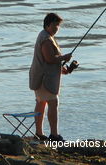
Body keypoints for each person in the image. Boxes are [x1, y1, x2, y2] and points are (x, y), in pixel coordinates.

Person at [29, 13, 72, 141]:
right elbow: (49, 59)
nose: (56, 28)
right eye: (54, 25)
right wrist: (65, 57)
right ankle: (54, 134)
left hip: (40, 77)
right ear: (47, 25)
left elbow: (51, 62)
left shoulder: (46, 36)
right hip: (44, 80)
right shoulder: (46, 39)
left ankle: (39, 133)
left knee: (41, 103)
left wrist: (65, 70)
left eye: (58, 25)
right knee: (53, 103)